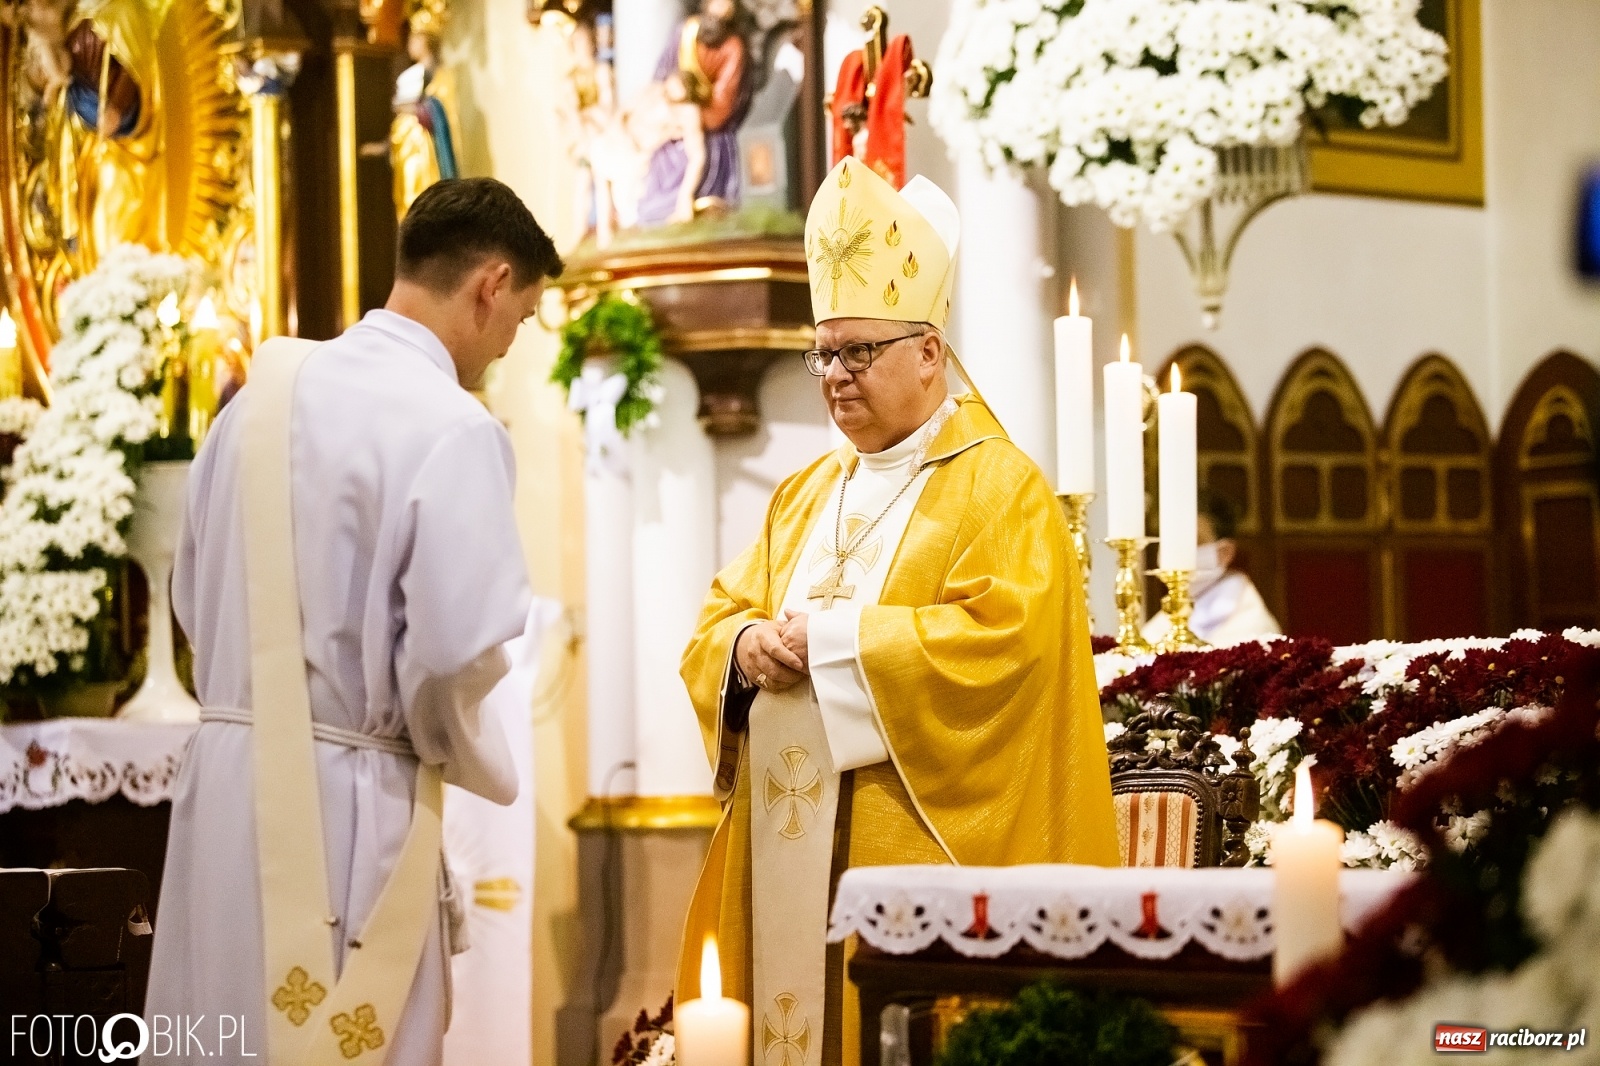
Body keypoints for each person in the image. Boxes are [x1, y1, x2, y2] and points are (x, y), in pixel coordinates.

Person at [676, 158, 1118, 1066]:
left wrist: (834, 644)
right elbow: (721, 616)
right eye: (824, 353)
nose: (835, 376)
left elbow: (1007, 650)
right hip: (786, 843)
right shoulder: (805, 493)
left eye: (859, 352)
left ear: (928, 352)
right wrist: (746, 644)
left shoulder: (1002, 490)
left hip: (910, 854)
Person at [145, 178, 563, 1065]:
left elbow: (187, 599)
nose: (506, 346)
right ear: (490, 285)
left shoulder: (251, 406)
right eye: (521, 318)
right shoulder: (453, 426)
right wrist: (455, 750)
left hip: (221, 792)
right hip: (345, 811)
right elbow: (454, 656)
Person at [635, 0, 749, 225]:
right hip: (673, 124)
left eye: (725, 3)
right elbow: (662, 75)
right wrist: (668, 117)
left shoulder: (733, 47)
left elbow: (724, 102)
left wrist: (690, 120)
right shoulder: (685, 32)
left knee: (700, 163)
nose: (719, 8)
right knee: (658, 167)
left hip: (709, 130)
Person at [1143, 490, 1282, 647]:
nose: (1176, 553)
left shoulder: (1254, 629)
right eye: (1170, 540)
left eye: (1193, 541)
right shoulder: (1158, 627)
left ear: (1225, 553)